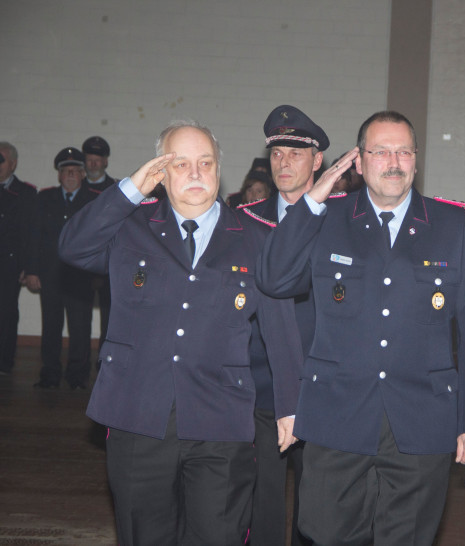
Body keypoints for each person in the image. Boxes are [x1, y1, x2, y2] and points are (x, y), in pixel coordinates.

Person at [57, 121, 303, 545]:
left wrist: (290, 405)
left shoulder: (258, 238)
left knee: (219, 534)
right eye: (181, 163)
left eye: (205, 163)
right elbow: (72, 247)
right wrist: (130, 190)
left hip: (221, 419)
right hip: (138, 414)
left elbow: (281, 328)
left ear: (218, 170)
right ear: (161, 172)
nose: (195, 173)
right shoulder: (129, 226)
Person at [257, 110, 465, 545]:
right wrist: (313, 200)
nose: (394, 161)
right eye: (380, 151)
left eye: (403, 151)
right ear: (359, 162)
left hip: (422, 421)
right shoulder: (326, 217)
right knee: (325, 533)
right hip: (337, 417)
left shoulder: (451, 224)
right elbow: (273, 278)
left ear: (416, 161)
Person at [241, 104, 333, 546]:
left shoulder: (341, 221)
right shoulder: (247, 219)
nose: (284, 162)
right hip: (262, 380)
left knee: (317, 504)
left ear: (318, 160)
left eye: (296, 153)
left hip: (323, 382)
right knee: (262, 499)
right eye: (277, 152)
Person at [25, 148, 99, 389]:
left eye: (76, 171)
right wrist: (32, 270)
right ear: (58, 175)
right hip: (51, 276)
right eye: (65, 171)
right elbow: (34, 236)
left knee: (80, 328)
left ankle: (77, 377)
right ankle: (50, 375)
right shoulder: (44, 199)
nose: (70, 175)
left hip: (81, 277)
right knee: (51, 326)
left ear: (83, 175)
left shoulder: (93, 201)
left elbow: (99, 238)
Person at [0, 142, 36, 375]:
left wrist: (29, 266)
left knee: (5, 313)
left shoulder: (25, 193)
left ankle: (3, 362)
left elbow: (30, 233)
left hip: (8, 264)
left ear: (13, 164)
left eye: (1, 159)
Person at [81, 136, 116, 354]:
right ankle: (79, 371)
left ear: (105, 162)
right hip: (80, 266)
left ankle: (104, 363)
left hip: (107, 265)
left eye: (97, 160)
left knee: (110, 320)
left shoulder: (115, 190)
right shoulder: (76, 187)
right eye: (89, 159)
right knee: (80, 320)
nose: (93, 164)